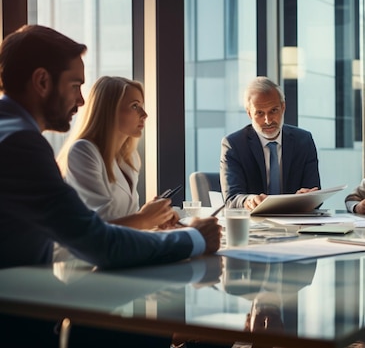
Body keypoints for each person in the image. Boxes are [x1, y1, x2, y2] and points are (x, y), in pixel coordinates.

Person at [0, 24, 221, 347]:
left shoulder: (11, 131)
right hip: (18, 324)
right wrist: (193, 238)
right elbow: (100, 243)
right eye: (75, 85)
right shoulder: (21, 143)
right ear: (42, 81)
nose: (80, 99)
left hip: (34, 301)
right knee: (193, 336)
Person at [56, 76, 177, 231]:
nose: (144, 114)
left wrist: (155, 218)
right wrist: (144, 218)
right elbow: (100, 226)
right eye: (135, 106)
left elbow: (125, 221)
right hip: (87, 253)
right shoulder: (83, 151)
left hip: (119, 249)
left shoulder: (129, 157)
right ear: (109, 111)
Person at [220, 76, 321, 210]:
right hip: (255, 225)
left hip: (295, 222)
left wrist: (306, 197)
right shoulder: (234, 145)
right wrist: (249, 200)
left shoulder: (303, 140)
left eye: (273, 110)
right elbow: (232, 198)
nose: (268, 120)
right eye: (260, 113)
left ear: (283, 107)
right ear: (249, 113)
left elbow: (316, 193)